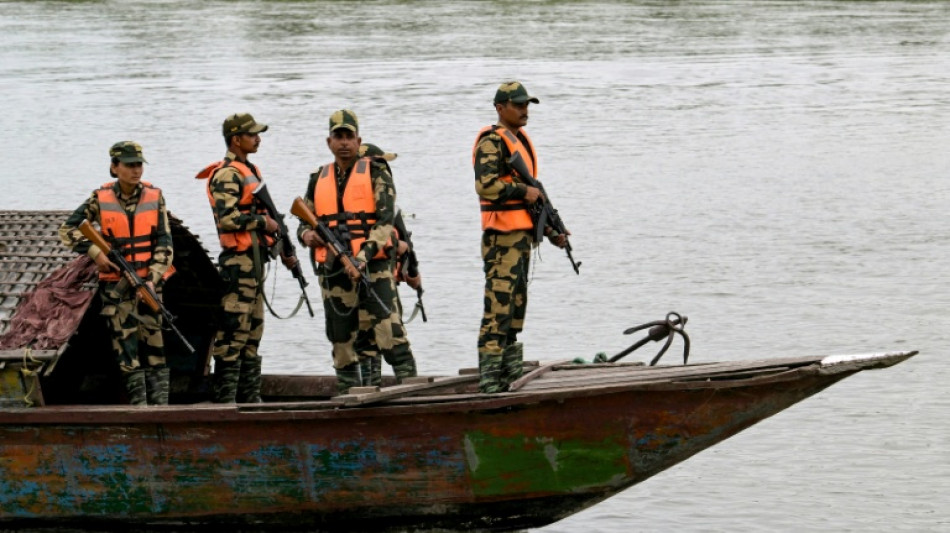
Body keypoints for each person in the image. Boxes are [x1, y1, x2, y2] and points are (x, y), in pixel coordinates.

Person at [296, 111, 414, 394]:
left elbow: (386, 221)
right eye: (339, 137)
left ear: (358, 140)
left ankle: (413, 392)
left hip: (374, 265)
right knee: (341, 339)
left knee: (390, 333)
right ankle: (351, 396)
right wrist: (306, 235)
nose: (344, 143)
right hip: (334, 269)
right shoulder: (317, 177)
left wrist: (362, 257)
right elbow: (303, 220)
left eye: (349, 137)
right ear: (329, 142)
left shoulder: (376, 172)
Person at [59, 141, 174, 405]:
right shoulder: (100, 198)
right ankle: (140, 409)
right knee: (127, 351)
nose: (136, 170)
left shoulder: (155, 197)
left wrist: (152, 279)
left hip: (149, 286)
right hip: (116, 288)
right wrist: (95, 253)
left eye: (139, 164)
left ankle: (162, 410)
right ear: (114, 167)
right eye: (130, 165)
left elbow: (165, 244)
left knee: (156, 348)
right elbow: (68, 229)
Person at [472, 81, 569, 394]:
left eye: (527, 104)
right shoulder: (492, 141)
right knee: (497, 312)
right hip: (502, 239)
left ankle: (508, 379)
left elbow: (535, 200)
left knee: (515, 313)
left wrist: (554, 231)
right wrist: (521, 190)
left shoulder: (520, 141)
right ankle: (489, 385)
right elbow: (486, 185)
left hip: (521, 239)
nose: (525, 110)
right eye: (518, 104)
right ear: (500, 108)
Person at [195, 112, 296, 403]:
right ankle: (226, 402)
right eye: (252, 134)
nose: (258, 138)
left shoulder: (249, 169)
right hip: (238, 265)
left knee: (252, 333)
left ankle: (250, 399)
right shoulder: (227, 174)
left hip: (255, 264)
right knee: (233, 334)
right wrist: (264, 224)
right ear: (236, 139)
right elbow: (227, 219)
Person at [357, 143, 419, 384]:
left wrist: (410, 266)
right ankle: (402, 392)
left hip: (381, 275)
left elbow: (403, 242)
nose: (385, 169)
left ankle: (372, 388)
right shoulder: (361, 198)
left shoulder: (385, 202)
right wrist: (397, 243)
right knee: (383, 338)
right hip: (369, 274)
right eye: (380, 163)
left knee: (371, 340)